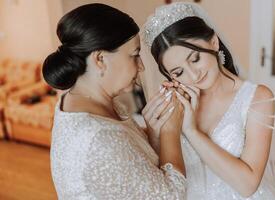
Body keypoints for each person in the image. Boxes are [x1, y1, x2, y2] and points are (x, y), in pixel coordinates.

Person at [142, 2, 275, 199]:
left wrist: (191, 131)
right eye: (179, 72)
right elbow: (168, 172)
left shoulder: (257, 98)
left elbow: (248, 185)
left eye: (195, 59)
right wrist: (155, 134)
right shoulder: (175, 104)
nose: (193, 75)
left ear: (214, 42)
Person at [43, 3, 187, 199]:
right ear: (100, 59)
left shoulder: (86, 100)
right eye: (135, 55)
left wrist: (152, 134)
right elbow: (171, 196)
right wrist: (170, 131)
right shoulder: (97, 137)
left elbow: (131, 166)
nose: (142, 67)